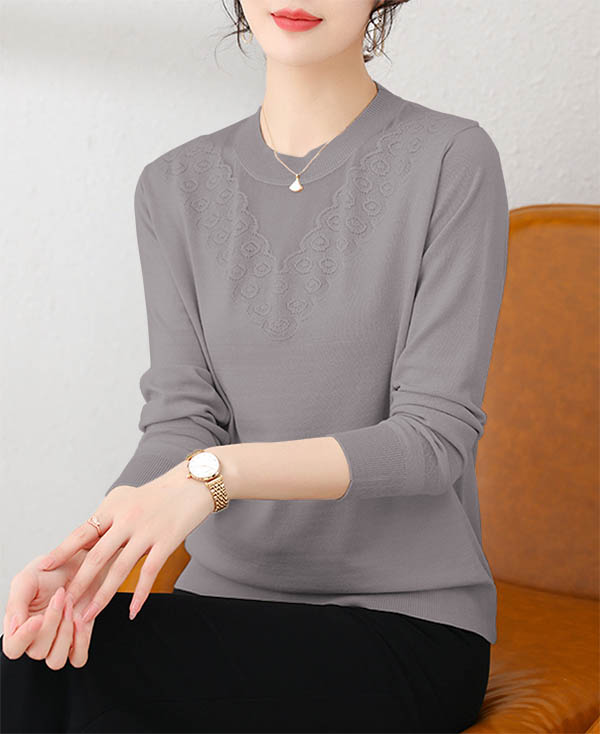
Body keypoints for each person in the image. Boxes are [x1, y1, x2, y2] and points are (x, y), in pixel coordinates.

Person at [1, 1, 509, 731]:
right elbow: (183, 417)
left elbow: (433, 440)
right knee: (44, 653)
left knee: (77, 682)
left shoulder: (451, 159)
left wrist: (213, 478)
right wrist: (93, 556)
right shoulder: (172, 186)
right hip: (222, 608)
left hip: (405, 624)